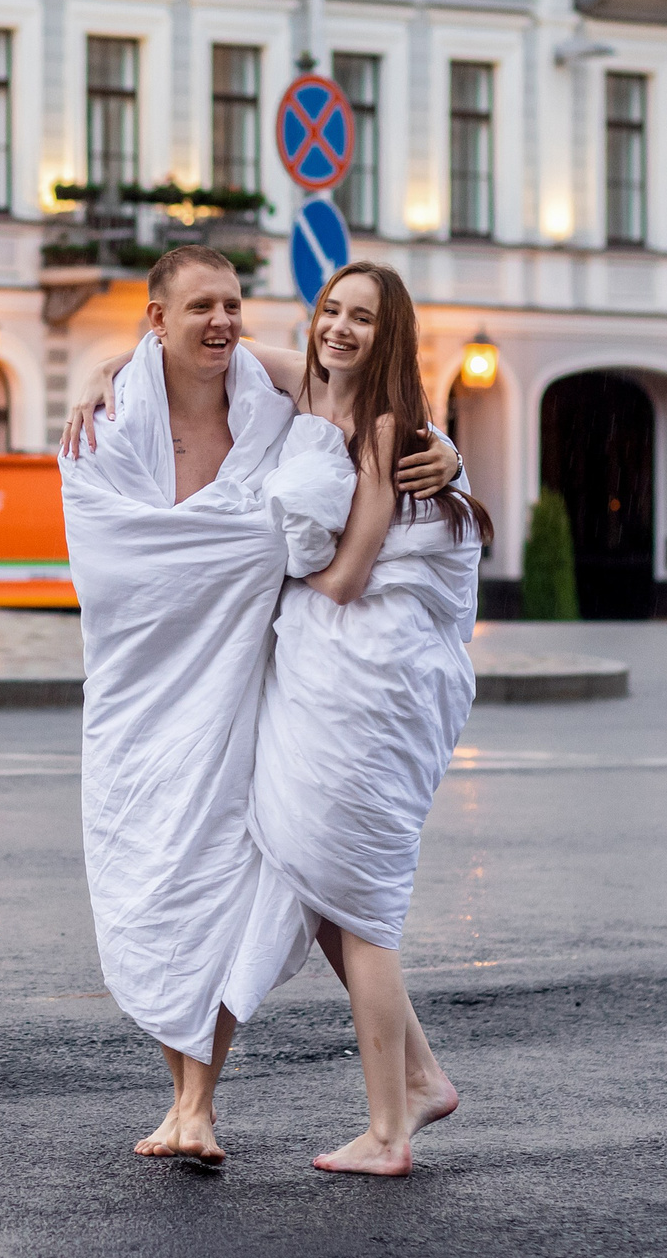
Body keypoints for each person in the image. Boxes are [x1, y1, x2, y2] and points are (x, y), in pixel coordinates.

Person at [59, 248, 459, 1166]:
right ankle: (406, 1077)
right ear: (155, 318)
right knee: (187, 873)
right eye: (200, 306)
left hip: (274, 678)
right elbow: (114, 554)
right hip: (148, 689)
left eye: (234, 305)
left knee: (279, 875)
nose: (223, 322)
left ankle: (213, 1106)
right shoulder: (121, 424)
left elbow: (358, 521)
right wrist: (96, 366)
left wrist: (438, 452)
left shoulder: (280, 399)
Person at [222, 260, 488, 1177]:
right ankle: (420, 1077)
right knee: (321, 880)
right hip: (321, 673)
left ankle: (388, 1131)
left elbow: (348, 575)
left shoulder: (382, 430)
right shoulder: (308, 390)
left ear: (391, 335)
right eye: (330, 310)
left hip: (362, 682)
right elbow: (216, 348)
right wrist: (111, 373)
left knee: (360, 907)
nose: (338, 327)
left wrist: (267, 576)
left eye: (361, 318)